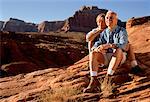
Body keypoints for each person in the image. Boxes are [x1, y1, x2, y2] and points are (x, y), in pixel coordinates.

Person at [84, 11, 141, 93]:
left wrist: (110, 45)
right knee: (93, 52)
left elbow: (124, 44)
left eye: (111, 18)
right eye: (107, 18)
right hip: (106, 58)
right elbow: (96, 42)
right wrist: (96, 48)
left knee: (118, 50)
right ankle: (93, 81)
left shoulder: (122, 31)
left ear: (116, 20)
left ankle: (108, 78)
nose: (108, 19)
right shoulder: (104, 33)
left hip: (119, 57)